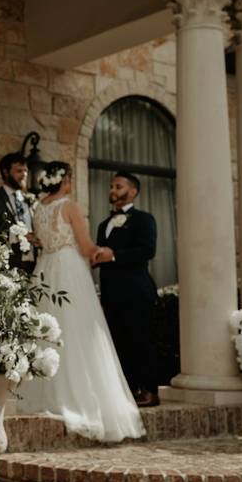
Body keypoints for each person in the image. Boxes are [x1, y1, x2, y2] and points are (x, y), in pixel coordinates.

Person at [16, 161, 144, 442]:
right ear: (66, 181)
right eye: (71, 178)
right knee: (79, 331)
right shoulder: (69, 206)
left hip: (45, 268)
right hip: (69, 269)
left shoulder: (39, 208)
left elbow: (39, 240)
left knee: (47, 330)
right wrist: (105, 252)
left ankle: (45, 392)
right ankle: (79, 397)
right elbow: (86, 247)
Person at [94, 171, 160, 408]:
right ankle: (129, 389)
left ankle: (149, 390)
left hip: (137, 291)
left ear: (132, 191)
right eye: (111, 186)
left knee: (141, 340)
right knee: (119, 342)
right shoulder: (104, 225)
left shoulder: (144, 219)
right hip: (112, 293)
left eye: (118, 186)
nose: (113, 190)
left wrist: (114, 256)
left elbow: (147, 251)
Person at [0, 152, 38, 272]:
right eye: (19, 171)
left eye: (26, 171)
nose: (24, 175)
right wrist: (18, 237)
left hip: (34, 267)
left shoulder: (30, 200)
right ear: (6, 172)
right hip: (7, 268)